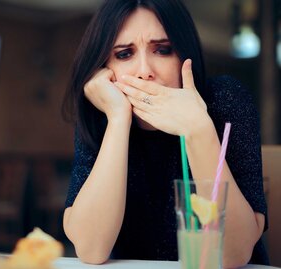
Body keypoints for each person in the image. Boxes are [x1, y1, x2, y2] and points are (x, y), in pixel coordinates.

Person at [62, 0, 268, 267]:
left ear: (184, 54)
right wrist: (117, 118)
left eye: (163, 50)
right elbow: (91, 249)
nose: (145, 71)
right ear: (104, 68)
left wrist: (198, 128)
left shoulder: (225, 99)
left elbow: (234, 255)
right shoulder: (102, 113)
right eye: (124, 54)